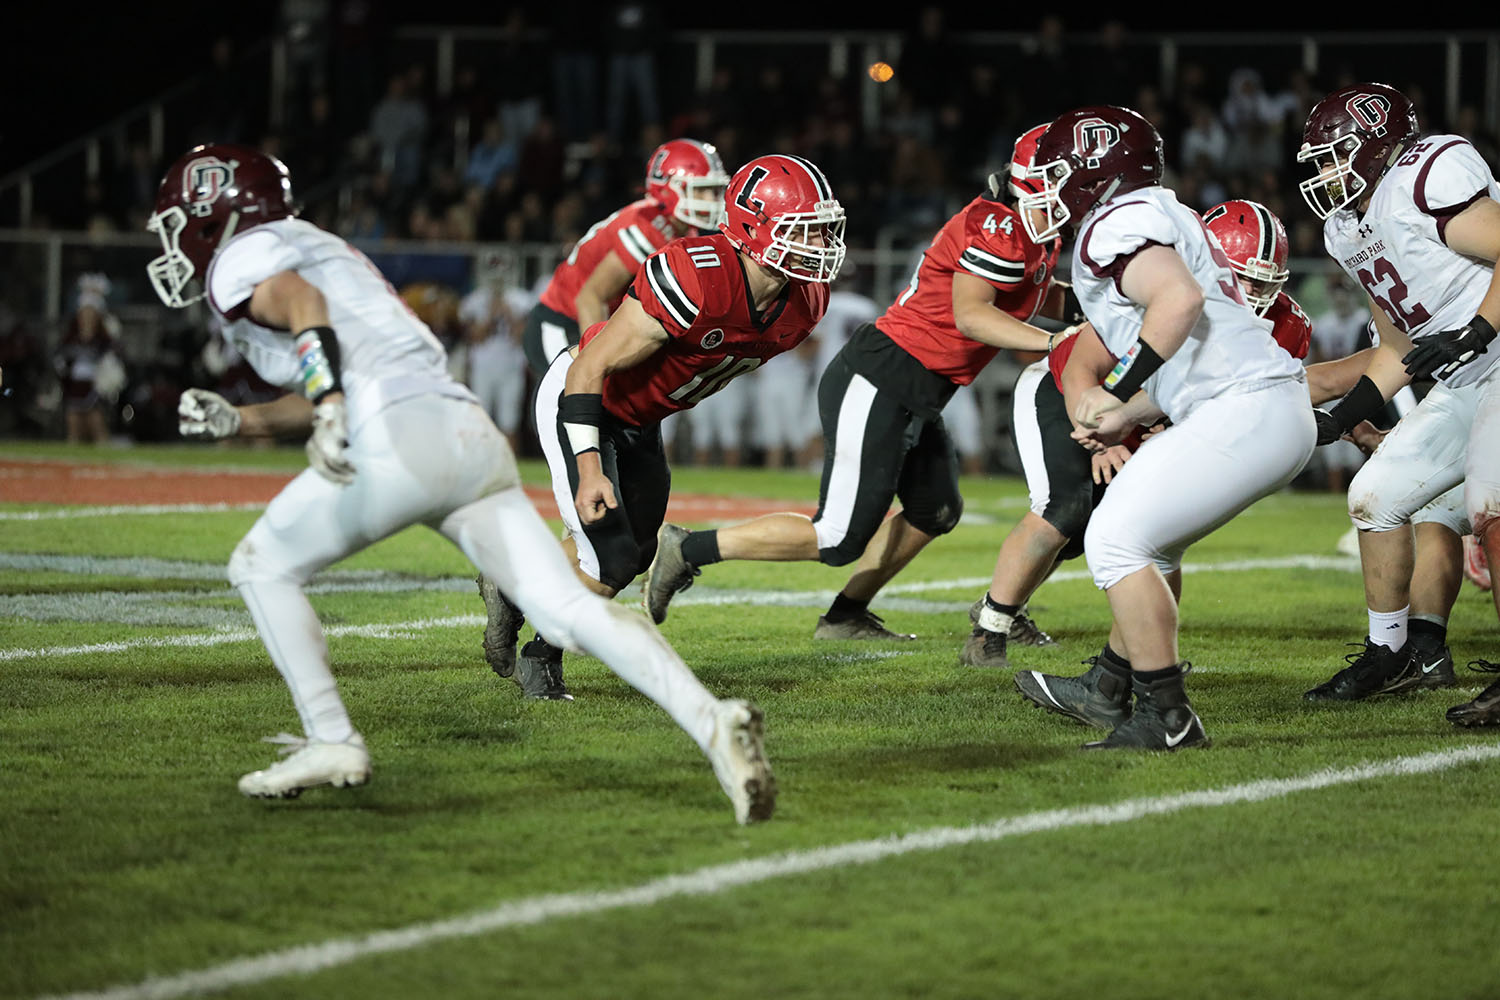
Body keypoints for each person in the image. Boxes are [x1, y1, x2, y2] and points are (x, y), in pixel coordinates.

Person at [147, 143, 775, 823]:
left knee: (258, 564)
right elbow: (337, 358)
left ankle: (332, 739)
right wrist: (243, 418)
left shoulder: (249, 253)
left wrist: (328, 403)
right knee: (568, 606)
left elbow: (301, 306)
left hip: (399, 436)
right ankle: (713, 723)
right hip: (462, 431)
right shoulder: (321, 245)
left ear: (215, 213)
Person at [641, 127, 1062, 641]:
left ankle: (845, 616)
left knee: (937, 510)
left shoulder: (1033, 231)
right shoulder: (997, 225)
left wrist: (1095, 311)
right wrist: (1060, 344)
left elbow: (1036, 296)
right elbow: (973, 317)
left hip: (922, 386)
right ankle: (687, 549)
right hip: (884, 376)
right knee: (837, 537)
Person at [479, 154, 843, 697]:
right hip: (585, 399)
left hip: (643, 419)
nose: (818, 245)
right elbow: (589, 367)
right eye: (802, 230)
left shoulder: (806, 302)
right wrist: (590, 468)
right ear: (752, 229)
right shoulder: (695, 275)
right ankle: (541, 654)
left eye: (822, 230)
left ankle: (512, 587)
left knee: (636, 551)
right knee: (612, 556)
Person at [1009, 106, 1315, 750]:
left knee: (1116, 540)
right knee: (1150, 544)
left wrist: (1117, 387)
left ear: (1094, 173)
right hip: (1255, 404)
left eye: (1057, 171)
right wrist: (1128, 413)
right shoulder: (1160, 212)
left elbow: (1179, 301)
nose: (1045, 186)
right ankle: (1110, 687)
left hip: (1246, 406)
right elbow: (1195, 353)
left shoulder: (1114, 223)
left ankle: (1169, 717)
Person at [962, 199, 1313, 668]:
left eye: (1264, 282)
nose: (1251, 292)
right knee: (1065, 509)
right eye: (1242, 276)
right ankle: (990, 629)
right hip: (1071, 394)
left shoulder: (1281, 324)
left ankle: (1135, 660)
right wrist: (1095, 438)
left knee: (1156, 535)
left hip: (1138, 412)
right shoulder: (1154, 291)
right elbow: (1077, 366)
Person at [1293, 83, 1500, 724]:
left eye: (1336, 155)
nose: (1326, 173)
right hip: (1467, 377)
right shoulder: (1346, 227)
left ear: (1378, 143)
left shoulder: (1425, 174)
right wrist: (1344, 410)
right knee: (1375, 496)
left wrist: (1480, 328)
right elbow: (1395, 347)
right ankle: (1394, 654)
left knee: (1487, 503)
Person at [520, 138, 728, 375]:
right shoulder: (647, 227)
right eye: (701, 190)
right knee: (577, 404)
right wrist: (599, 362)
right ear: (669, 188)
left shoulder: (682, 229)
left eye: (713, 190)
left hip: (596, 323)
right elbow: (591, 297)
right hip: (565, 322)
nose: (712, 200)